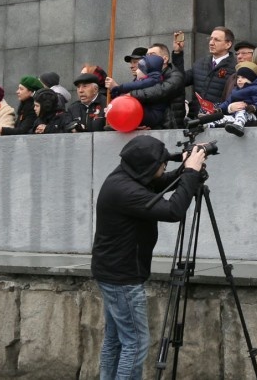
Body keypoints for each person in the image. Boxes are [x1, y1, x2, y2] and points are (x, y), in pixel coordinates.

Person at [92, 136, 207, 380]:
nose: (163, 168)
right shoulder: (126, 191)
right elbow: (172, 211)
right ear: (146, 166)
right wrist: (190, 174)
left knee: (116, 341)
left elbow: (158, 182)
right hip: (123, 278)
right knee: (135, 343)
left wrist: (184, 169)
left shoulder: (125, 176)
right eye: (161, 163)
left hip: (112, 272)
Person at [173, 26, 237, 115]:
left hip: (217, 120)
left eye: (216, 40)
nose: (211, 43)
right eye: (210, 39)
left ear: (228, 44)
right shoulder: (200, 63)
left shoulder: (235, 67)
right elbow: (180, 80)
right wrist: (177, 54)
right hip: (195, 118)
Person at [124, 43, 187, 129]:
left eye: (152, 55)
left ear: (165, 59)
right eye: (147, 56)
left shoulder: (176, 76)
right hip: (150, 129)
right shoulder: (145, 77)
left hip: (170, 130)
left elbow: (160, 91)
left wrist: (132, 94)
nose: (147, 59)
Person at [206, 61, 257, 136]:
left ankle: (239, 126)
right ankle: (207, 125)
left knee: (241, 111)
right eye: (238, 77)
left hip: (250, 115)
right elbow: (227, 102)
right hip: (234, 116)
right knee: (222, 118)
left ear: (251, 79)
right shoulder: (235, 90)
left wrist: (254, 107)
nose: (239, 80)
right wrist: (219, 109)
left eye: (243, 77)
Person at [107, 54, 167, 129]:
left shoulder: (153, 80)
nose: (133, 68)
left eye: (139, 67)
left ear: (146, 71)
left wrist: (119, 88)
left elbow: (135, 86)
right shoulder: (146, 80)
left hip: (153, 117)